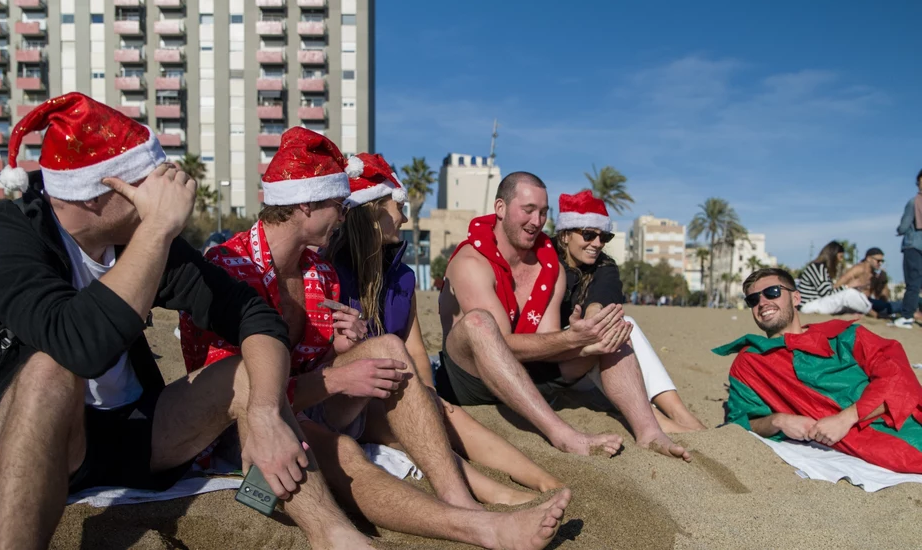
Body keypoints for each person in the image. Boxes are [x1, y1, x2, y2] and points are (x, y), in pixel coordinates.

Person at [0, 93, 373, 550]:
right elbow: (78, 345)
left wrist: (266, 411)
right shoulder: (3, 236)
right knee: (48, 369)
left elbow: (255, 316)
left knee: (246, 373)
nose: (164, 189)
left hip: (136, 434)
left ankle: (336, 536)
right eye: (147, 180)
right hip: (40, 440)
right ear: (103, 190)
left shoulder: (135, 238)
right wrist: (155, 230)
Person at [180, 135, 570, 550]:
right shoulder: (229, 267)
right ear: (306, 204)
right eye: (337, 205)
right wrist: (338, 379)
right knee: (341, 450)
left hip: (304, 402)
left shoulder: (317, 272)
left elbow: (314, 367)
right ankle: (479, 529)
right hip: (247, 422)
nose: (344, 216)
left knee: (388, 349)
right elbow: (238, 390)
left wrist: (338, 352)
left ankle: (462, 502)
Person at [325, 153, 564, 505]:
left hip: (390, 387)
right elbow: (319, 355)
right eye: (398, 208)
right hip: (346, 399)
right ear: (374, 211)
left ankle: (543, 479)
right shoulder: (329, 270)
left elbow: (417, 350)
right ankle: (495, 493)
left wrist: (428, 394)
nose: (405, 217)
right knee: (420, 430)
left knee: (444, 413)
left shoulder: (401, 277)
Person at [436, 172, 691, 461]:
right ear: (500, 208)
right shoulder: (472, 262)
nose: (536, 221)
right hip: (471, 380)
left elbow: (545, 345)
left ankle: (649, 432)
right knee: (479, 323)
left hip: (530, 376)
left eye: (543, 212)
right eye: (528, 210)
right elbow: (501, 343)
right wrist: (571, 339)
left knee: (611, 330)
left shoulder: (548, 266)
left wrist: (584, 342)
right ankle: (563, 435)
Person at [713, 267, 922, 474]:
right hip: (873, 446)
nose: (763, 303)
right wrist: (778, 421)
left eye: (772, 292)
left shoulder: (844, 334)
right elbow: (739, 424)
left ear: (795, 298)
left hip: (899, 419)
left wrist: (846, 418)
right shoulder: (750, 363)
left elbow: (897, 375)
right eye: (753, 300)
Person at [554, 190, 705, 433]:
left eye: (604, 237)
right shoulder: (544, 259)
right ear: (564, 235)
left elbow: (604, 294)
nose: (597, 243)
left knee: (623, 322)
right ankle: (659, 420)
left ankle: (680, 414)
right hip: (551, 364)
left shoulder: (604, 265)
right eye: (588, 235)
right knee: (609, 326)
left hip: (586, 366)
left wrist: (593, 312)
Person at [795, 241, 871, 315]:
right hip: (808, 306)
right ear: (833, 255)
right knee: (849, 294)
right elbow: (827, 293)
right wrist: (848, 286)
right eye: (840, 257)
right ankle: (871, 312)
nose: (841, 260)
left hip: (817, 302)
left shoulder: (823, 268)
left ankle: (870, 309)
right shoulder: (817, 267)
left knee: (853, 294)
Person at [894, 169, 922, 327]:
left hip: (913, 246)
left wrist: (899, 230)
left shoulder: (914, 202)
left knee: (913, 282)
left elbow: (903, 226)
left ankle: (907, 316)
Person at [835, 248, 895, 319]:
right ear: (869, 259)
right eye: (878, 261)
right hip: (853, 303)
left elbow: (883, 299)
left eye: (882, 261)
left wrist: (883, 282)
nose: (880, 263)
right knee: (892, 307)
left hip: (868, 303)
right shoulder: (857, 269)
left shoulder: (875, 275)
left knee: (894, 306)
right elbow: (837, 286)